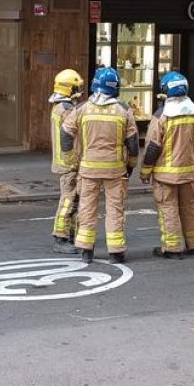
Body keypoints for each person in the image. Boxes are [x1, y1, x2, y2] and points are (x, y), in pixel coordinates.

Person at [140, 72, 194, 259]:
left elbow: (153, 147)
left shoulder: (162, 115)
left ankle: (172, 248)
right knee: (190, 207)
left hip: (165, 174)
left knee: (168, 209)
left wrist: (145, 172)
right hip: (189, 172)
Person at [61, 67, 139, 263]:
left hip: (88, 170)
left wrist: (70, 159)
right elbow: (133, 143)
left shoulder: (82, 108)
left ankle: (86, 251)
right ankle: (116, 252)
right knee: (115, 210)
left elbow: (65, 134)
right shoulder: (124, 110)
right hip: (115, 170)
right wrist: (131, 165)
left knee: (87, 209)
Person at [49, 68, 85, 254]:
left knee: (73, 200)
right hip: (70, 163)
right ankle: (60, 236)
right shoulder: (68, 110)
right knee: (68, 200)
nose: (79, 92)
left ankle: (70, 235)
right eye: (77, 88)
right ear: (70, 89)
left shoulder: (58, 108)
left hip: (64, 162)